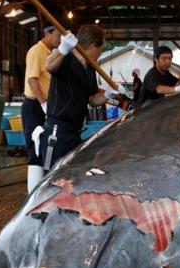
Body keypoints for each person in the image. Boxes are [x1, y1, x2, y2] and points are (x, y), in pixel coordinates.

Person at [38, 25, 122, 170]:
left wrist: (107, 94)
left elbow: (92, 100)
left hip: (75, 132)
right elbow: (49, 66)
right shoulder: (66, 57)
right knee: (53, 177)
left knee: (70, 176)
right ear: (93, 47)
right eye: (100, 50)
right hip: (57, 132)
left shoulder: (90, 69)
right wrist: (63, 48)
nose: (100, 54)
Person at [22, 23, 60, 192]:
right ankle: (33, 196)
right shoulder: (37, 51)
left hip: (44, 105)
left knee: (45, 148)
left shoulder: (50, 53)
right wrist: (43, 103)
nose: (60, 39)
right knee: (35, 148)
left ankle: (42, 191)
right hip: (35, 105)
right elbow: (32, 79)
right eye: (58, 35)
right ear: (47, 33)